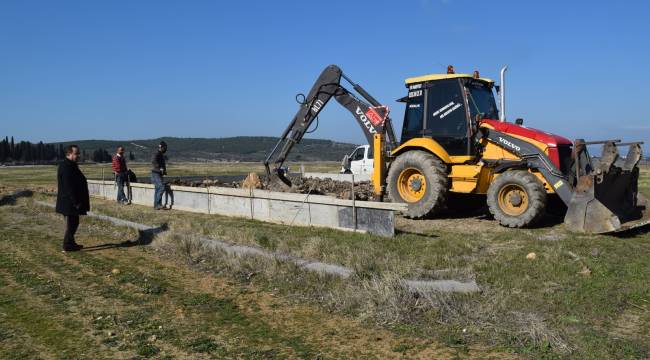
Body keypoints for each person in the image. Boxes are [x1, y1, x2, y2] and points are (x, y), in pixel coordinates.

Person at [55, 145, 90, 252]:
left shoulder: (71, 165)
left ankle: (71, 243)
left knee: (74, 223)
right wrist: (76, 202)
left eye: (78, 153)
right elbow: (69, 187)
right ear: (69, 154)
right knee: (71, 224)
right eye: (76, 153)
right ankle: (67, 245)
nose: (78, 156)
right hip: (69, 202)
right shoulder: (66, 166)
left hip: (72, 201)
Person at [151, 141, 168, 210]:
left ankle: (157, 205)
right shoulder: (157, 153)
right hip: (156, 173)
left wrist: (164, 171)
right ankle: (158, 204)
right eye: (165, 148)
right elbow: (153, 161)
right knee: (161, 187)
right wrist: (160, 168)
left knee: (157, 189)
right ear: (162, 147)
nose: (166, 149)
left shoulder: (160, 154)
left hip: (158, 173)